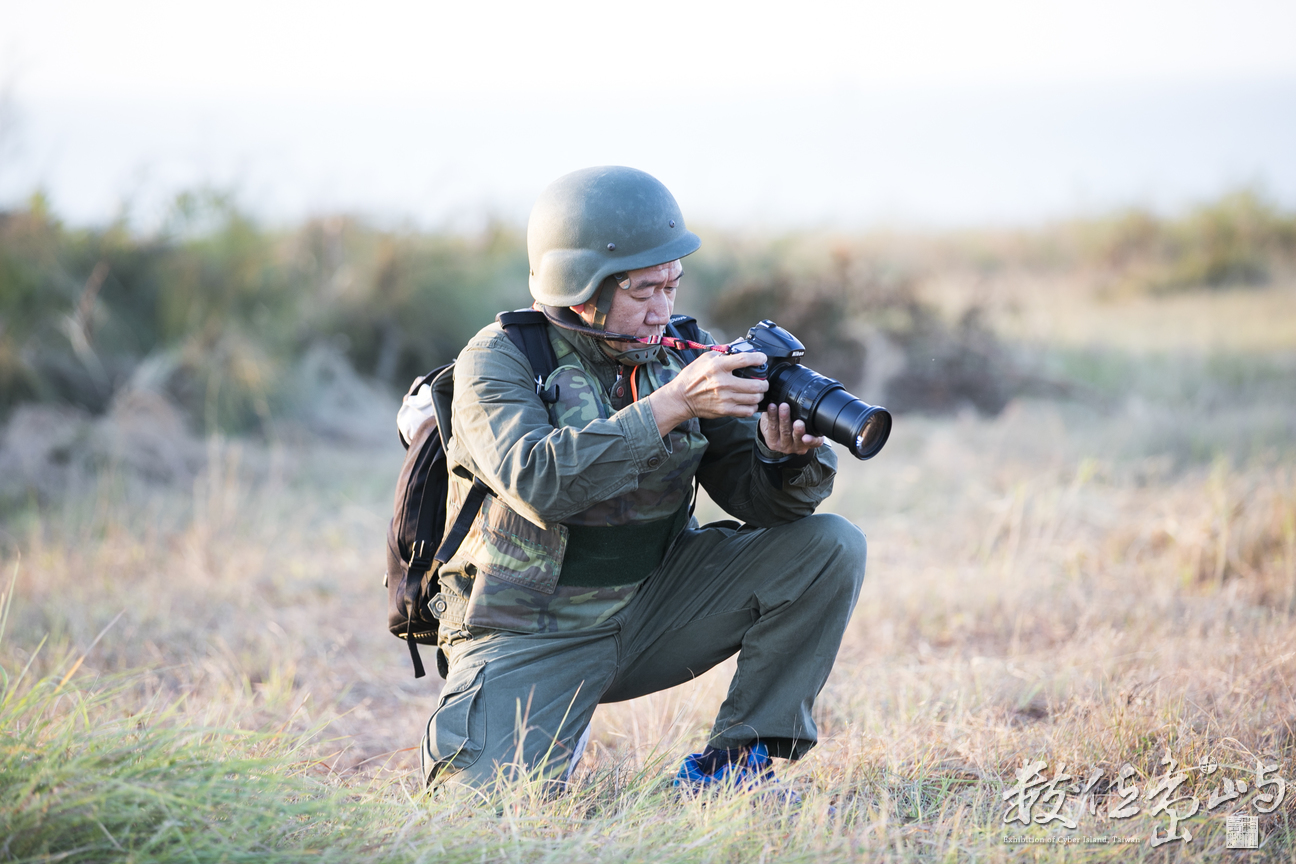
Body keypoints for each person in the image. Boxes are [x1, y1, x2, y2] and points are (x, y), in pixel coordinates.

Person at [421, 165, 867, 792]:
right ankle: (548, 727)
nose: (662, 309)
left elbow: (763, 506)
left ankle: (736, 767)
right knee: (481, 816)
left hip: (655, 607)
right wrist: (673, 407)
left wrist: (783, 458)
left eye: (672, 287)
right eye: (642, 292)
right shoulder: (499, 360)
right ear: (580, 289)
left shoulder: (681, 354)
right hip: (533, 629)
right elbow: (537, 480)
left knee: (829, 546)